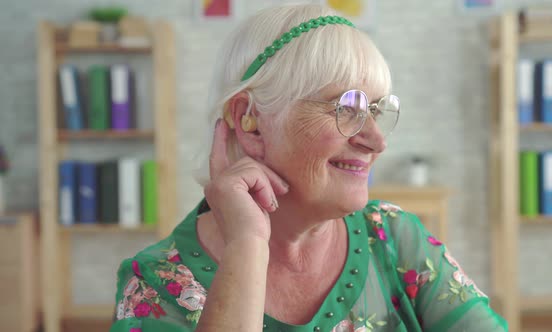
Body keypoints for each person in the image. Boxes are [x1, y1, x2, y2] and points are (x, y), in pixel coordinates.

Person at [110, 4, 507, 332]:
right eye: (345, 108)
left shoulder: (393, 236)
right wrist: (246, 247)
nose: (377, 141)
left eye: (375, 110)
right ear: (250, 119)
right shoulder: (154, 284)